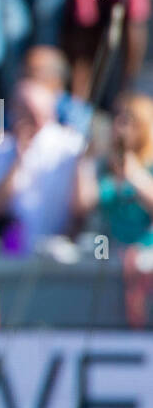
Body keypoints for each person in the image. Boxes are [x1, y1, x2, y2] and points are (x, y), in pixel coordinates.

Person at [72, 91, 153, 325]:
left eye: (127, 120)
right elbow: (83, 203)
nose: (119, 126)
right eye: (117, 119)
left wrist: (134, 175)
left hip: (144, 257)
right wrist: (85, 160)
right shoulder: (105, 168)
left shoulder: (145, 168)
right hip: (107, 252)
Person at [0, 78, 86, 252]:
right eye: (22, 112)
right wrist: (18, 161)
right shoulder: (0, 147)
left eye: (35, 114)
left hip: (57, 252)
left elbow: (82, 206)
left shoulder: (71, 146)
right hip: (12, 251)